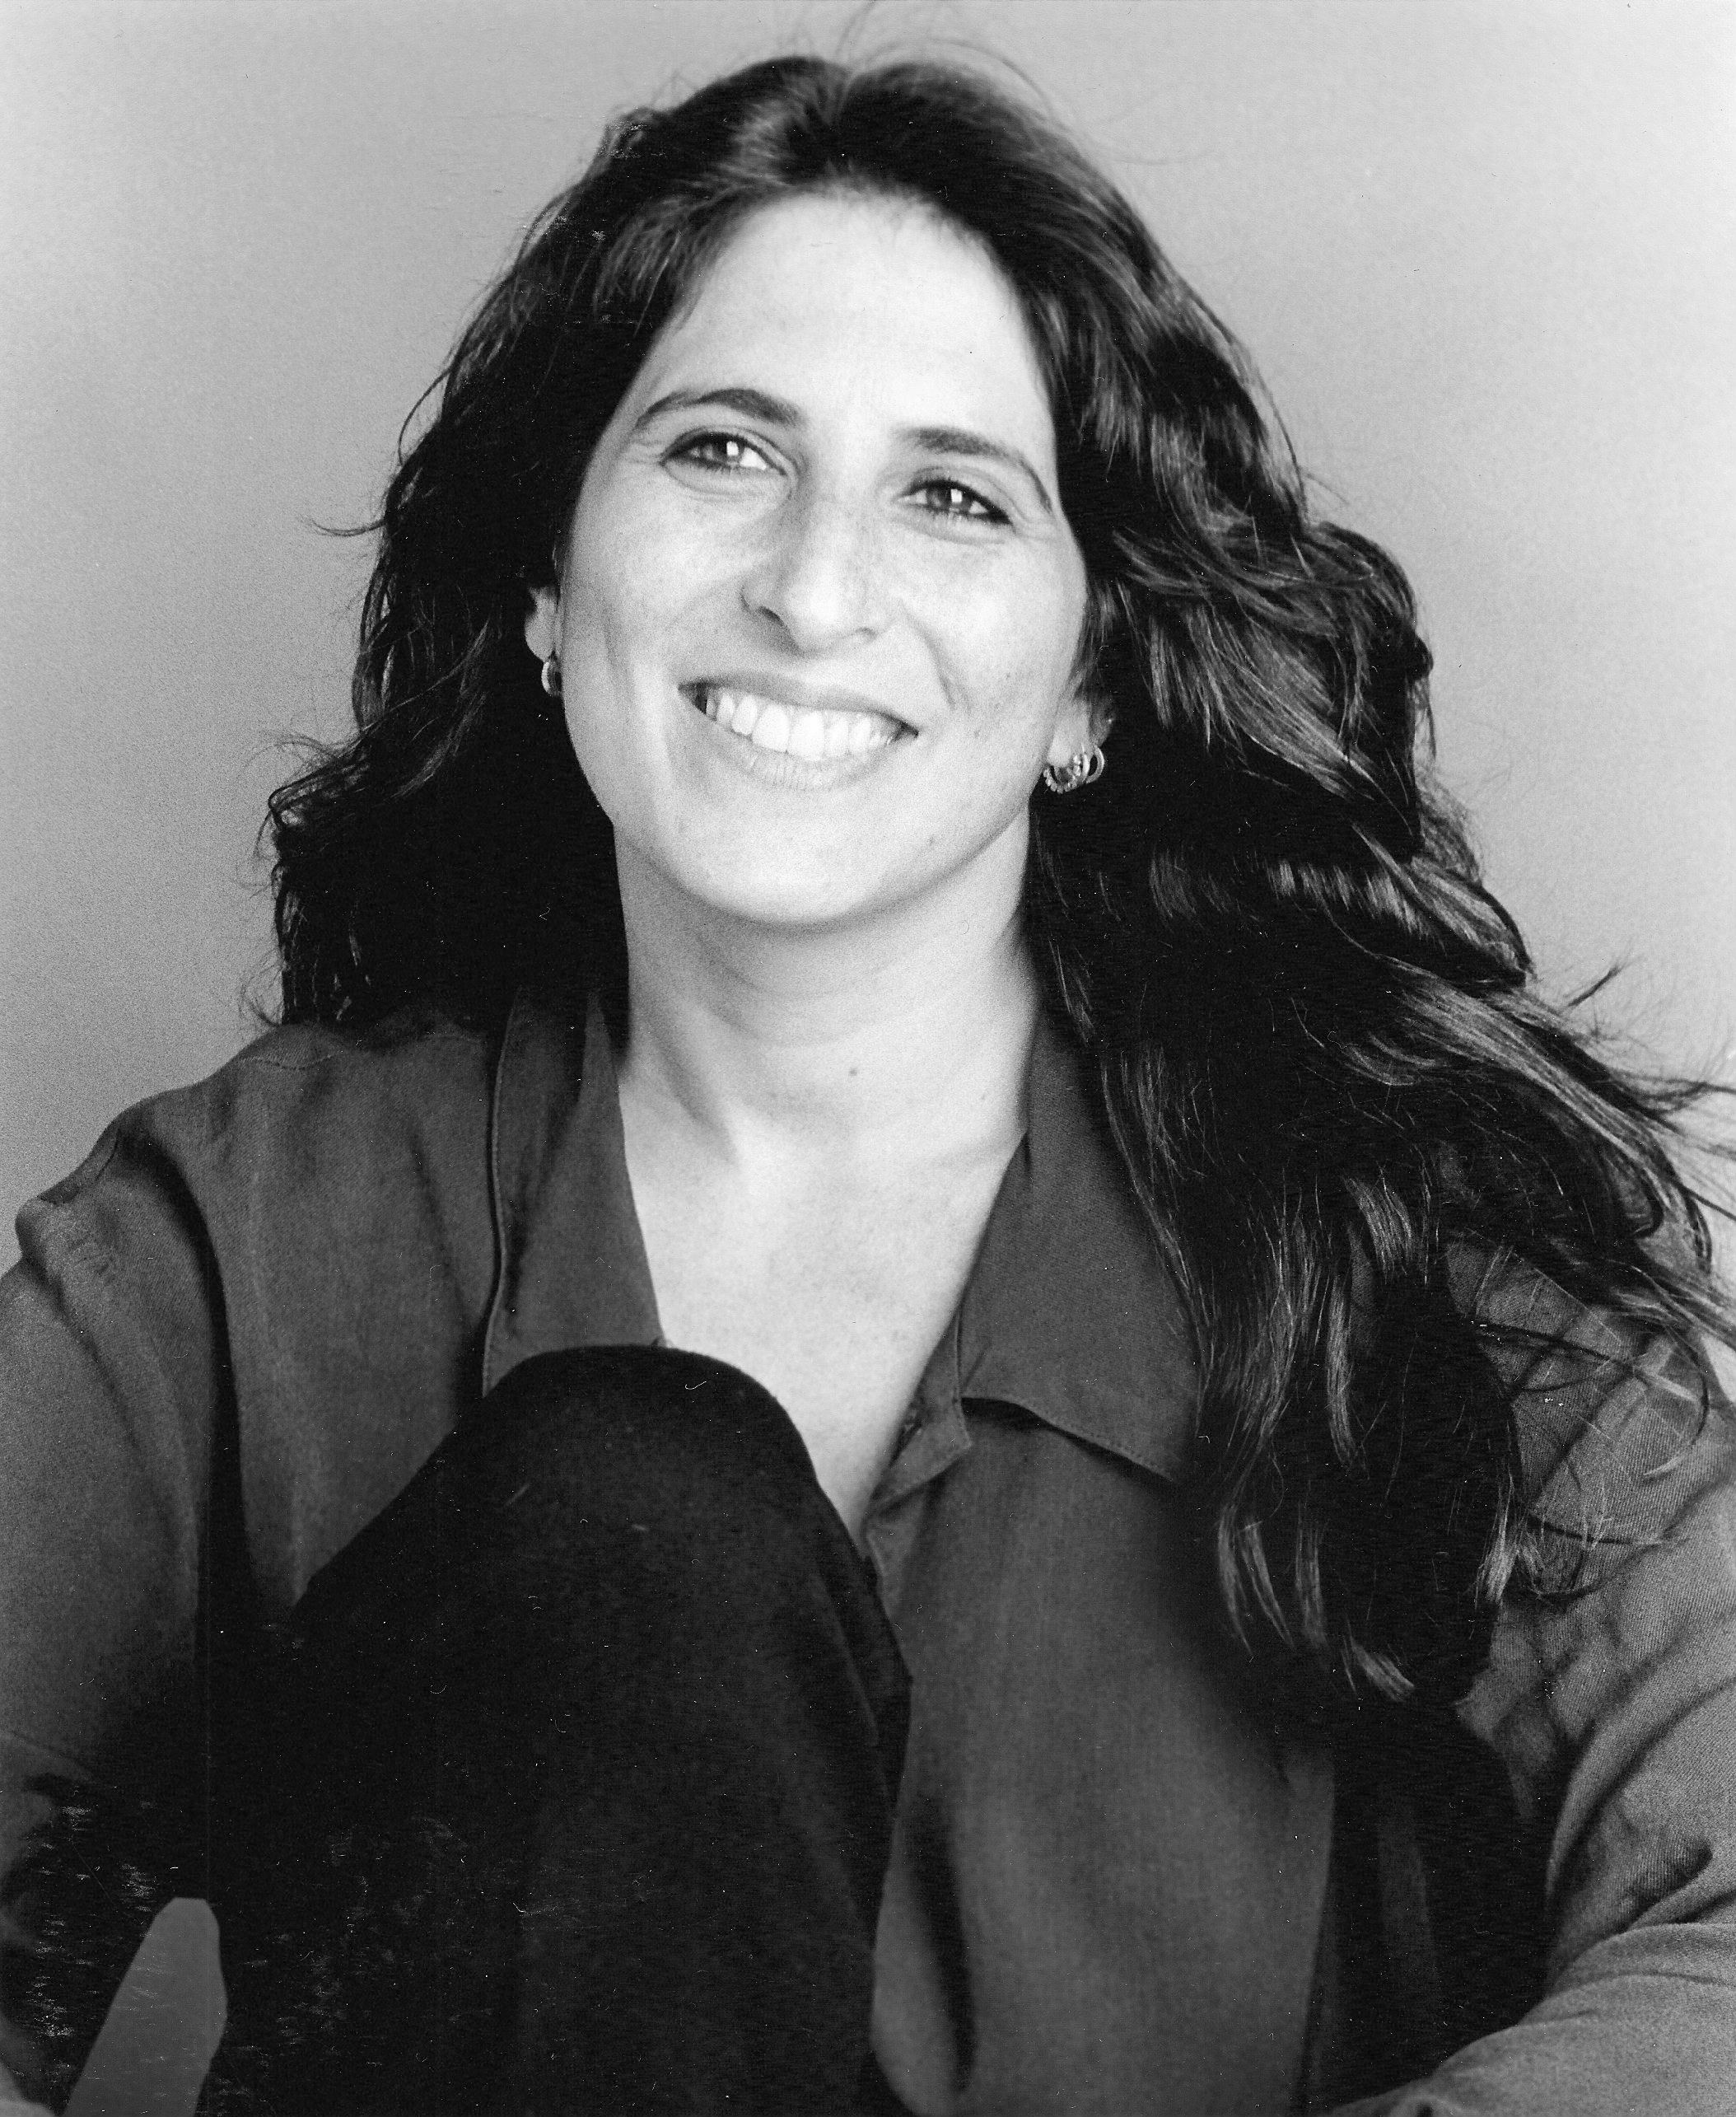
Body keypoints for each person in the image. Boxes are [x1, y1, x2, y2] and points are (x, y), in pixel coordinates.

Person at [2, 49, 1733, 2117]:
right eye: (724, 449)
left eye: (954, 496)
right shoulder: (250, 1236)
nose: (814, 591)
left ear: (1092, 680)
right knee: (631, 1516)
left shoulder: (1390, 1248)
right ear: (547, 584)